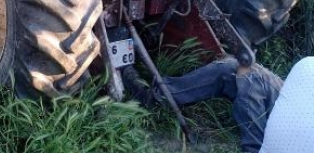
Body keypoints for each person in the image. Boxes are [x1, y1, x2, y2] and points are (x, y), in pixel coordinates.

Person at [123, 56, 288, 153]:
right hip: (294, 100)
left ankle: (254, 148)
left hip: (294, 127)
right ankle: (157, 98)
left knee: (250, 79)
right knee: (229, 68)